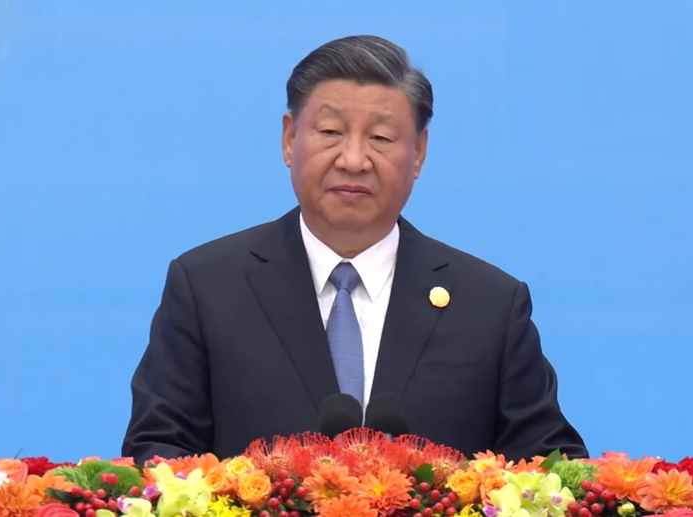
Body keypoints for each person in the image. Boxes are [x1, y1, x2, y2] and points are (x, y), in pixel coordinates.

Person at [121, 35, 587, 464]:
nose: (353, 160)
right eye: (330, 132)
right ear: (290, 138)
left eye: (381, 138)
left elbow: (549, 468)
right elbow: (158, 454)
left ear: (419, 152)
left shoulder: (489, 305)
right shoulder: (208, 287)